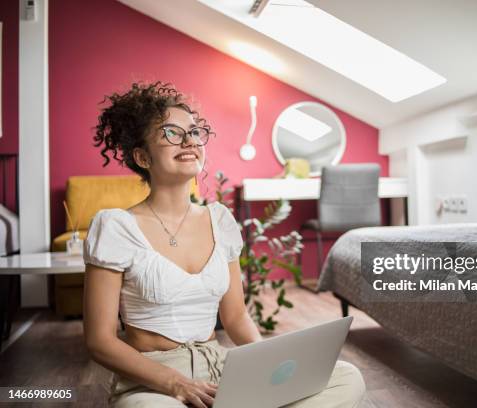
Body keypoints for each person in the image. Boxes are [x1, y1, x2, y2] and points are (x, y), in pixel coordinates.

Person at [82, 81, 366, 407]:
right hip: (155, 381)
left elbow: (235, 318)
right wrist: (175, 384)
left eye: (194, 131)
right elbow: (99, 341)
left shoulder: (220, 221)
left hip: (221, 369)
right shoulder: (116, 226)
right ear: (143, 157)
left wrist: (270, 371)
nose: (189, 140)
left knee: (346, 376)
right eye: (171, 133)